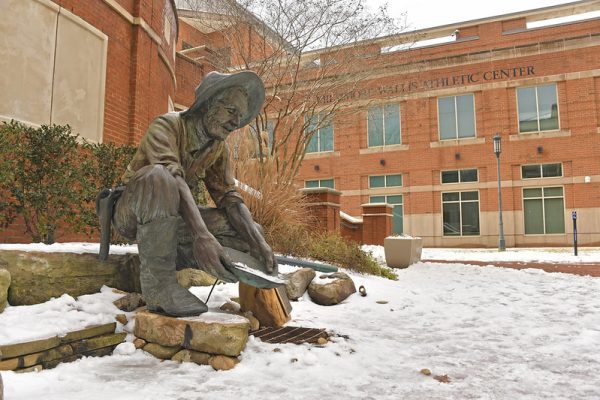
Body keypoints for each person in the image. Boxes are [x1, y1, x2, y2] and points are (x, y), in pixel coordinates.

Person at [111, 71, 277, 317]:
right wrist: (202, 235)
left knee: (248, 231)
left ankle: (181, 258)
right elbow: (172, 178)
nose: (236, 122)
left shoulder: (217, 147)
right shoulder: (167, 125)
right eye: (231, 111)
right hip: (132, 213)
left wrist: (257, 242)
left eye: (240, 116)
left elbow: (229, 197)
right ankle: (160, 287)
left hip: (172, 219)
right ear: (209, 104)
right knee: (159, 176)